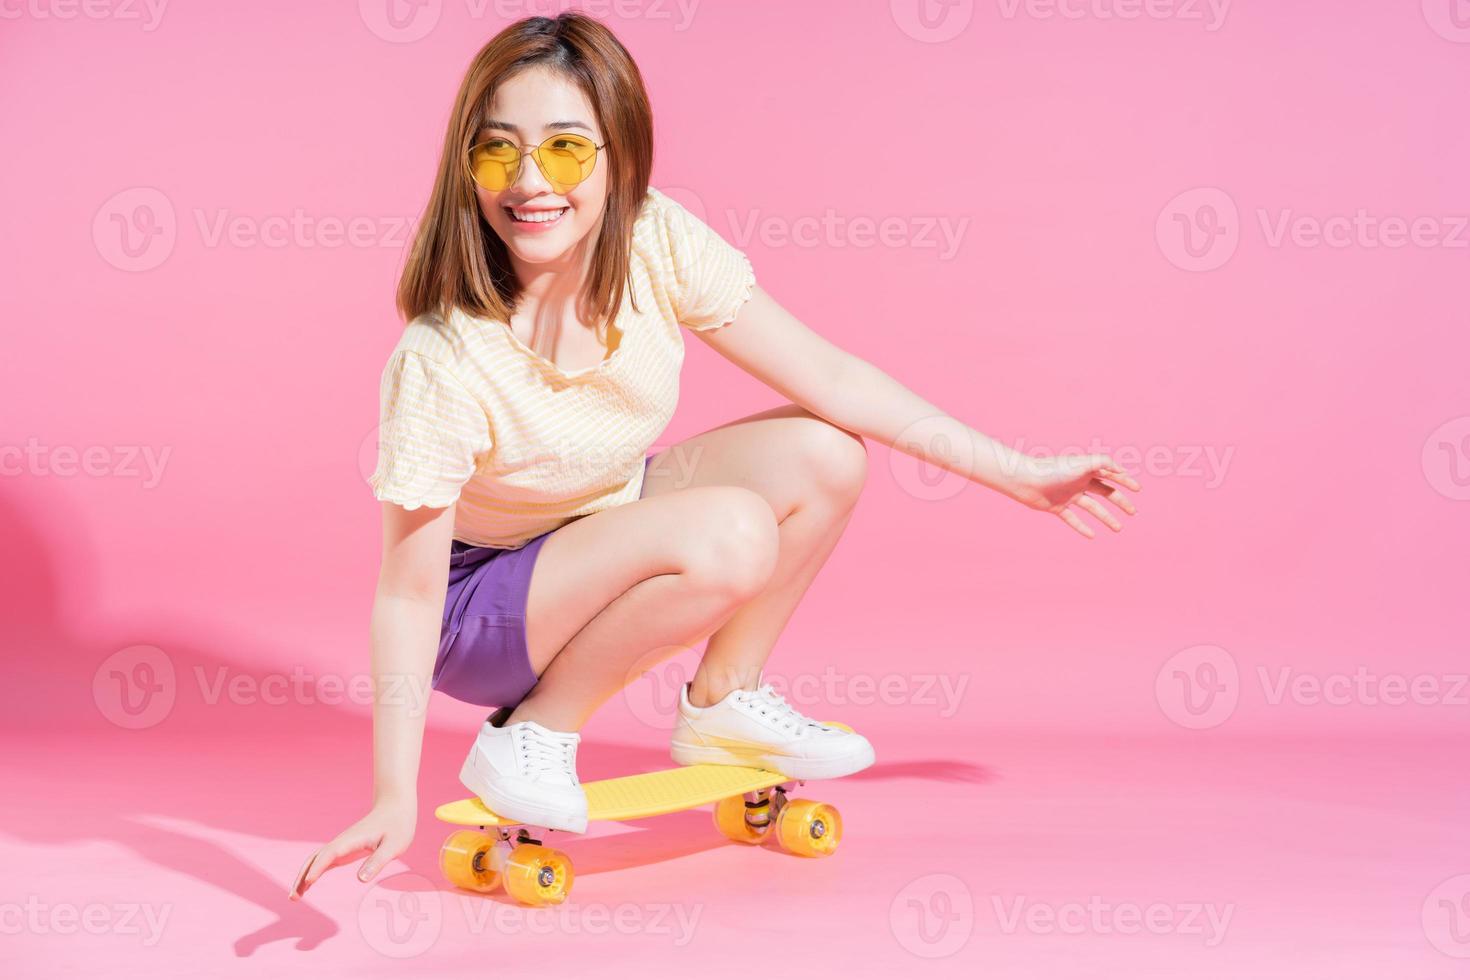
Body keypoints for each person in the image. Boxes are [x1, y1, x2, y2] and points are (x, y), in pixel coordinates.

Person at [290, 11, 1139, 900]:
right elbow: (410, 590)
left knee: (825, 453)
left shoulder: (654, 242)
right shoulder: (445, 356)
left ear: (621, 156)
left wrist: (1019, 474)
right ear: (468, 166)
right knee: (732, 531)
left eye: (568, 150)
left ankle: (724, 703)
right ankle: (535, 728)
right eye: (500, 151)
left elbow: (832, 376)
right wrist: (393, 795)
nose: (532, 181)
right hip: (485, 609)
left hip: (607, 523)